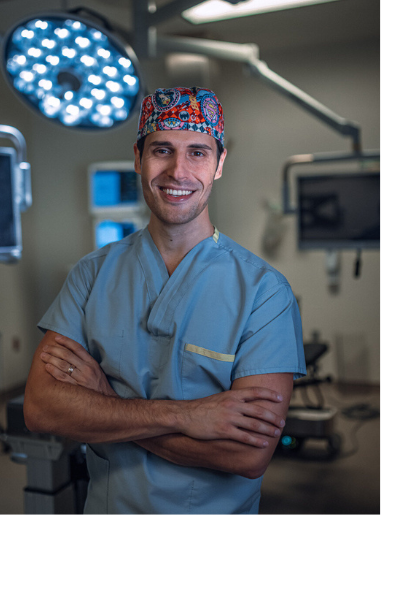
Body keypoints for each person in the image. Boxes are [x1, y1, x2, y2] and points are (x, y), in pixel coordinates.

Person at [23, 86, 306, 514]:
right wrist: (186, 416)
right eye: (162, 150)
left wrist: (107, 403)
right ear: (138, 158)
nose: (178, 171)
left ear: (219, 164)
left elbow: (248, 455)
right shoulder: (91, 274)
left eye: (198, 152)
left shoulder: (264, 293)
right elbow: (42, 410)